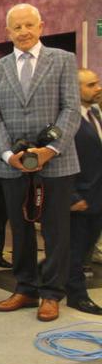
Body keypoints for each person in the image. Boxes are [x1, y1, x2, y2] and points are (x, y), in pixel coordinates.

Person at [0, 3, 80, 322]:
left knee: (55, 231)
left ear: (41, 26)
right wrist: (6, 154)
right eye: (17, 27)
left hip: (56, 162)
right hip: (11, 164)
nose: (23, 32)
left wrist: (49, 149)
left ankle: (52, 293)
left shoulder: (64, 61)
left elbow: (70, 110)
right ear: (7, 32)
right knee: (20, 230)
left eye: (29, 25)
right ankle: (25, 288)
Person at [64, 68, 102, 315]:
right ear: (74, 89)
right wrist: (71, 196)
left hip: (98, 196)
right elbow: (61, 161)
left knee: (86, 247)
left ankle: (46, 272)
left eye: (97, 83)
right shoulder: (67, 120)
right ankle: (77, 296)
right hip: (80, 196)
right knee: (76, 249)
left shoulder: (95, 113)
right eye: (90, 85)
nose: (97, 88)